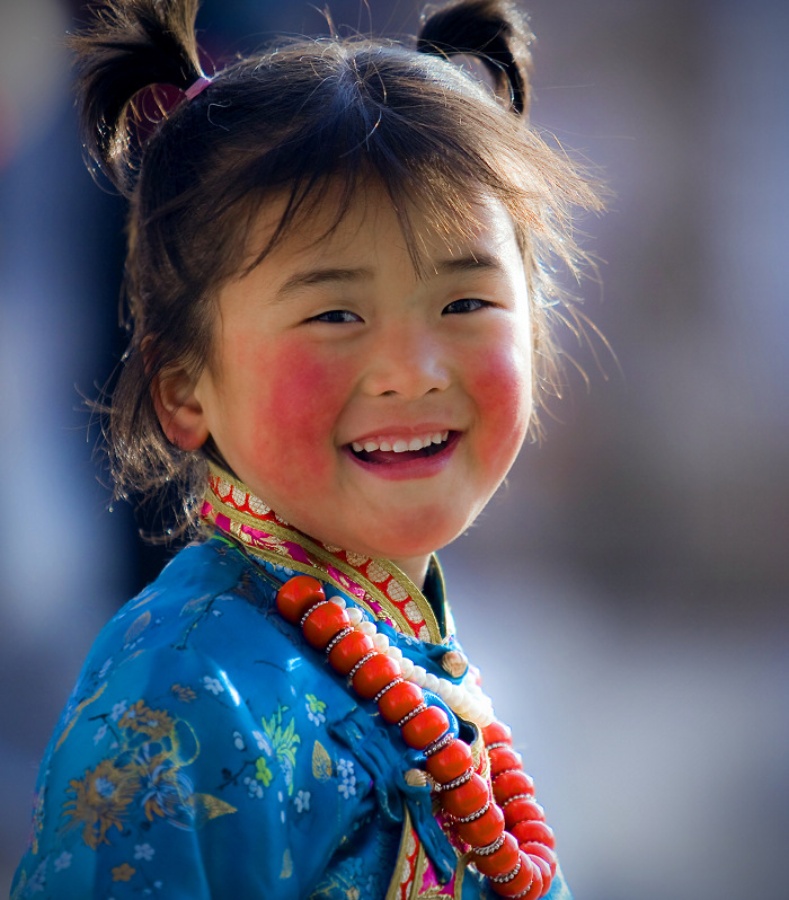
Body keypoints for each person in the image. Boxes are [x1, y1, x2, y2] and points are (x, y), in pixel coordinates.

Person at [11, 0, 602, 896]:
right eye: (334, 315)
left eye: (464, 303)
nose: (411, 371)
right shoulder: (183, 698)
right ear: (183, 388)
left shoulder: (399, 634)